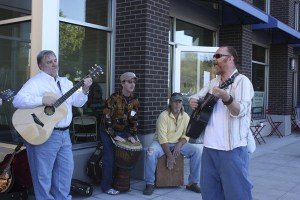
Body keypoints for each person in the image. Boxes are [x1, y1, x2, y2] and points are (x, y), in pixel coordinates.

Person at [12, 50, 92, 199]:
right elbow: (17, 100)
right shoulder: (35, 82)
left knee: (65, 172)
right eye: (49, 62)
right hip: (44, 132)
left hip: (65, 134)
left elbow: (78, 102)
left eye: (55, 60)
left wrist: (85, 90)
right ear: (41, 66)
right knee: (43, 174)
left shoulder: (66, 82)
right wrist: (41, 100)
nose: (54, 64)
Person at [188, 46, 254, 200]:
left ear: (230, 59)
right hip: (209, 148)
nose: (214, 60)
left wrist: (227, 98)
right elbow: (196, 96)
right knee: (210, 194)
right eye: (214, 56)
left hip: (232, 149)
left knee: (237, 194)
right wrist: (193, 100)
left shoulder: (242, 82)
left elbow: (240, 111)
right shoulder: (213, 82)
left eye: (218, 56)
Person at [143, 92, 201, 195]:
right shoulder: (163, 116)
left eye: (179, 102)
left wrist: (178, 146)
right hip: (161, 143)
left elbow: (186, 135)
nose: (177, 105)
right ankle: (149, 183)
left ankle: (192, 183)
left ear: (182, 104)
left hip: (177, 143)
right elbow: (162, 138)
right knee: (150, 152)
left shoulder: (186, 116)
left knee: (196, 152)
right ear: (170, 103)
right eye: (175, 102)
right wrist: (170, 156)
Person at [99, 72, 139, 195]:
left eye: (134, 82)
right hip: (107, 130)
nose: (132, 84)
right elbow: (106, 119)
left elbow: (134, 119)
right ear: (122, 83)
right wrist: (113, 136)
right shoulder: (113, 98)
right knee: (109, 158)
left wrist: (132, 135)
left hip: (122, 130)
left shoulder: (135, 101)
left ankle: (120, 183)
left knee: (127, 155)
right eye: (129, 82)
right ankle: (106, 186)